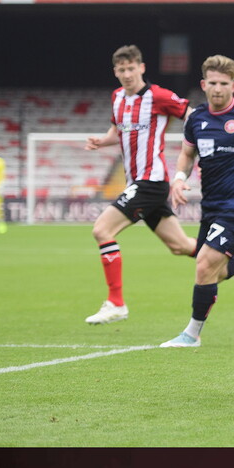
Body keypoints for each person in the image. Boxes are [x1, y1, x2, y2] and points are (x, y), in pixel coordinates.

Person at [83, 44, 199, 325]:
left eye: (131, 68)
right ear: (115, 71)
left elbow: (194, 116)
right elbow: (116, 132)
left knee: (102, 230)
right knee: (180, 245)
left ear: (141, 68)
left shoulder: (158, 96)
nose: (126, 74)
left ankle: (116, 303)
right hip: (139, 182)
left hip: (151, 180)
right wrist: (102, 141)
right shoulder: (117, 97)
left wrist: (204, 144)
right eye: (121, 70)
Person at [160, 55, 234, 347]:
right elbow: (187, 154)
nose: (218, 88)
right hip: (211, 206)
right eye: (213, 83)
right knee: (213, 271)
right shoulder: (196, 119)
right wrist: (179, 178)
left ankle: (191, 335)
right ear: (203, 85)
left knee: (204, 265)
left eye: (224, 83)